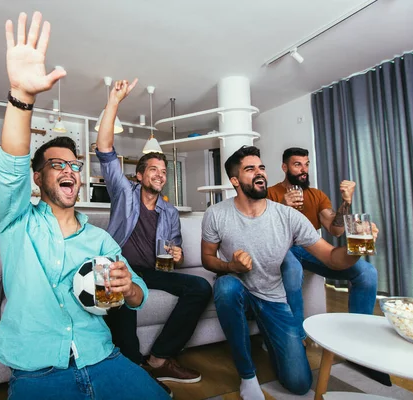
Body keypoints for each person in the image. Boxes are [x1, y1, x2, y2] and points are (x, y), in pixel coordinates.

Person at [0, 12, 170, 399]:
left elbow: (137, 293)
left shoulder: (101, 240)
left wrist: (129, 290)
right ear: (37, 178)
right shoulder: (15, 222)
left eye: (74, 165)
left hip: (104, 358)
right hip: (38, 371)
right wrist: (21, 96)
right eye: (57, 164)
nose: (70, 170)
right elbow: (9, 171)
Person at [201, 146, 379, 400]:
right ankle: (247, 375)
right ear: (235, 181)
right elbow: (207, 259)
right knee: (226, 287)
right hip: (238, 291)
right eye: (250, 169)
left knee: (299, 383)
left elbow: (332, 258)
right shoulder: (216, 214)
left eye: (261, 167)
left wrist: (358, 246)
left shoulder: (287, 216)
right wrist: (231, 267)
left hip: (272, 298)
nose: (259, 173)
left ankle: (272, 339)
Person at [95, 78, 212, 386]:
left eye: (164, 171)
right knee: (122, 297)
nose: (160, 175)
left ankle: (159, 357)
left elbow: (172, 254)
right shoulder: (124, 193)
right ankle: (133, 369)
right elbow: (105, 149)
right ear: (139, 175)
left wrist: (178, 254)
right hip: (123, 268)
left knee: (200, 287)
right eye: (154, 170)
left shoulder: (170, 212)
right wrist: (114, 103)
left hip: (152, 271)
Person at [266, 147, 390, 385]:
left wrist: (346, 202)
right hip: (283, 248)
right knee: (291, 269)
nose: (303, 170)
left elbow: (335, 228)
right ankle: (296, 341)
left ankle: (359, 344)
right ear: (284, 168)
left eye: (306, 164)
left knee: (367, 272)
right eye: (297, 165)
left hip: (311, 247)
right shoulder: (271, 194)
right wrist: (281, 205)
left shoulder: (316, 195)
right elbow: (262, 230)